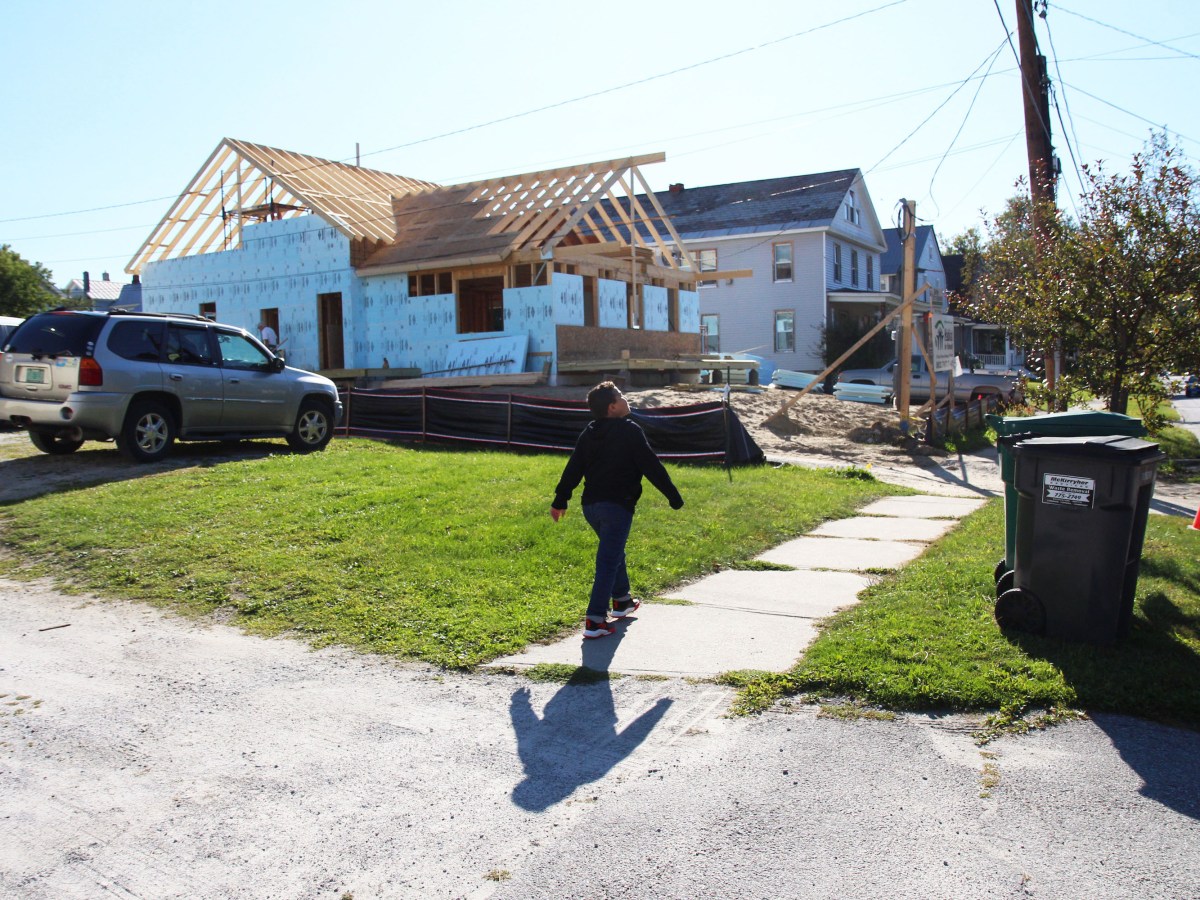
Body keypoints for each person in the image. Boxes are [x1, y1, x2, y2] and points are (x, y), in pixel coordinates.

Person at [551, 382, 684, 639]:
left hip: (591, 506)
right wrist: (673, 496)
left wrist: (560, 500)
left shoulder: (588, 432)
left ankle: (622, 601)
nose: (626, 399)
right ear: (612, 407)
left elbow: (573, 467)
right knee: (608, 561)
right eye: (621, 396)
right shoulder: (629, 430)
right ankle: (595, 620)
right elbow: (651, 465)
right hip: (617, 506)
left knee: (613, 551)